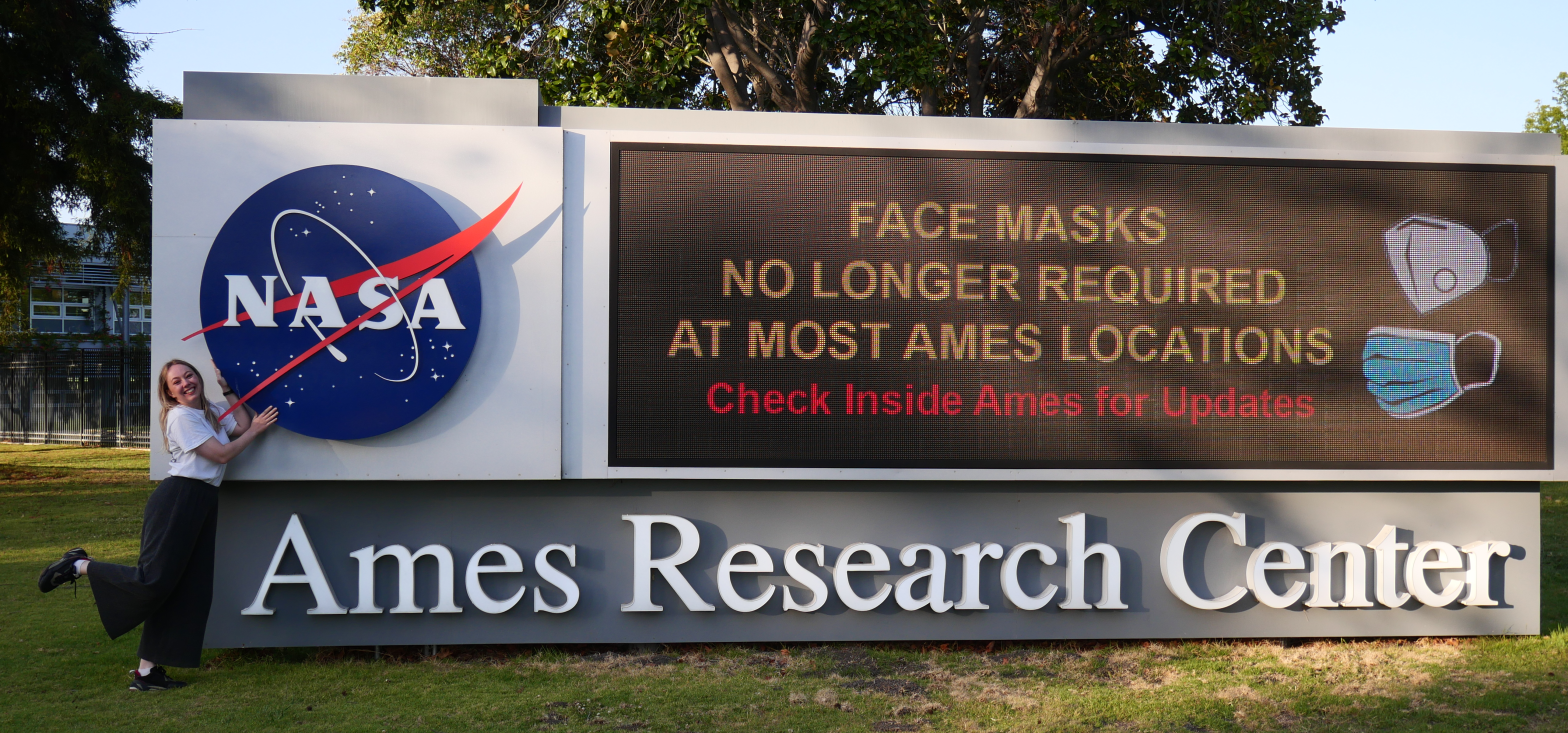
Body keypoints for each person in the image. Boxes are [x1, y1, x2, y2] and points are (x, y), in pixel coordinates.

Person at [37, 359, 278, 691]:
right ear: (169, 392)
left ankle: (147, 673)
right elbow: (221, 454)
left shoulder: (208, 411)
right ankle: (78, 566)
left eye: (189, 375)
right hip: (179, 498)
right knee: (153, 580)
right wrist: (255, 432)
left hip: (203, 501)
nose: (185, 383)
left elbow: (240, 421)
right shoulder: (181, 417)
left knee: (186, 588)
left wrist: (226, 387)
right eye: (176, 381)